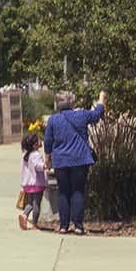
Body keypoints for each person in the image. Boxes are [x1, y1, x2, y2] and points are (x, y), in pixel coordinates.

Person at [44, 91, 105, 236]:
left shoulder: (53, 120)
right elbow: (97, 114)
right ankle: (78, 226)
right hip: (80, 159)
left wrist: (48, 159)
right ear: (72, 103)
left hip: (61, 161)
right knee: (78, 191)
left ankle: (64, 226)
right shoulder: (81, 115)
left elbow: (48, 141)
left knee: (63, 192)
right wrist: (101, 99)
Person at [18, 130, 48, 231]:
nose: (41, 141)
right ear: (35, 145)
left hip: (28, 184)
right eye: (39, 140)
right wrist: (45, 166)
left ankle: (24, 215)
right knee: (36, 205)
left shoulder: (25, 156)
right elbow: (37, 166)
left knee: (30, 203)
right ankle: (35, 224)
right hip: (37, 183)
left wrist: (23, 184)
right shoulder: (36, 154)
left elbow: (23, 170)